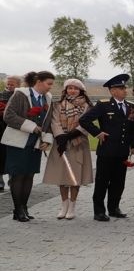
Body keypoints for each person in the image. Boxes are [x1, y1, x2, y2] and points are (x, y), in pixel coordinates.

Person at [79, 74, 134, 221]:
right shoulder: (104, 105)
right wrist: (98, 132)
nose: (124, 90)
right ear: (112, 91)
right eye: (120, 88)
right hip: (107, 150)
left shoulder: (130, 106)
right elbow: (84, 119)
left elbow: (133, 127)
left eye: (125, 88)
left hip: (122, 151)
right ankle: (99, 211)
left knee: (119, 182)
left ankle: (114, 208)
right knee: (102, 181)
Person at [3, 71, 54, 221]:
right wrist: (30, 126)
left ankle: (24, 207)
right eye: (48, 84)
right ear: (38, 81)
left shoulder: (48, 98)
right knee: (19, 175)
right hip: (18, 142)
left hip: (35, 143)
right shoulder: (20, 95)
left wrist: (47, 140)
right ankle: (18, 209)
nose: (50, 87)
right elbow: (9, 116)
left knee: (29, 174)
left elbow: (48, 122)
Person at [45, 78, 94, 220]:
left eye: (76, 88)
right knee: (62, 175)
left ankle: (72, 206)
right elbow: (55, 122)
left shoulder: (86, 105)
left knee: (75, 175)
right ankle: (64, 206)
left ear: (81, 91)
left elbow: (86, 121)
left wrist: (74, 133)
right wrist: (61, 138)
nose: (72, 91)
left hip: (78, 142)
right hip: (61, 143)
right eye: (70, 88)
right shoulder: (58, 105)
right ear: (65, 90)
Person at [0, 75, 24, 193]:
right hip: (1, 128)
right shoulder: (1, 96)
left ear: (18, 85)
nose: (9, 86)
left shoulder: (21, 97)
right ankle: (0, 182)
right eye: (8, 84)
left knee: (13, 156)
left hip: (14, 129)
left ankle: (13, 181)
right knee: (1, 155)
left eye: (12, 85)